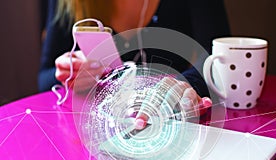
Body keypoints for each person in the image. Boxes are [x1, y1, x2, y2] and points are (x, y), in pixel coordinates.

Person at [38, 0, 230, 122]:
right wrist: (71, 74)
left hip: (168, 123)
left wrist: (182, 86)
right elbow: (45, 78)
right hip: (97, 130)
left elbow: (219, 56)